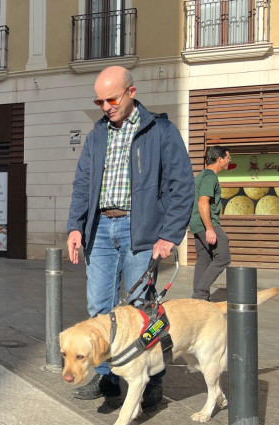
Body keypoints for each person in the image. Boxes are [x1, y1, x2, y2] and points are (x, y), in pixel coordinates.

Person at [66, 66, 195, 407]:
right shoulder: (97, 135)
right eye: (99, 100)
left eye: (111, 98)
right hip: (100, 229)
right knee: (99, 309)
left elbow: (183, 186)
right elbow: (82, 186)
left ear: (131, 92)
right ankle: (109, 377)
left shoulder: (161, 131)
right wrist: (76, 226)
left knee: (142, 311)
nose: (105, 106)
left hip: (141, 230)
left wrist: (170, 234)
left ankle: (151, 379)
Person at [189, 146, 232, 301]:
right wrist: (210, 229)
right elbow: (203, 202)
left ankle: (198, 300)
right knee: (223, 257)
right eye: (228, 158)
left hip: (196, 224)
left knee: (205, 259)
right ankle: (200, 292)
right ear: (220, 159)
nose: (229, 161)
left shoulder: (201, 176)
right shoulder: (210, 177)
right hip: (205, 224)